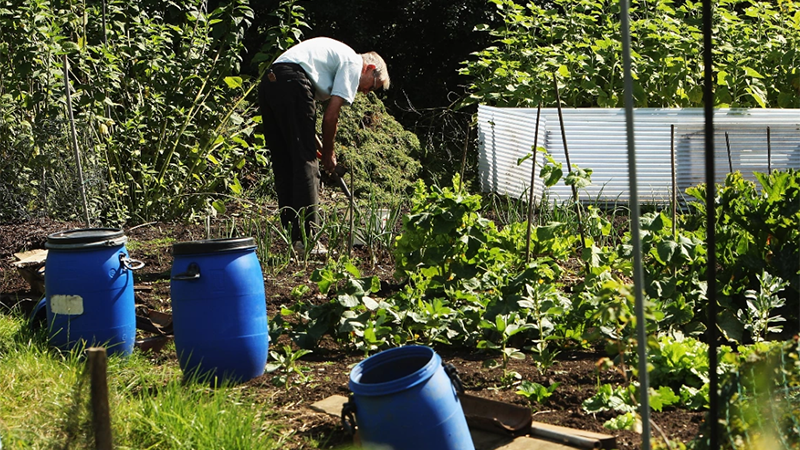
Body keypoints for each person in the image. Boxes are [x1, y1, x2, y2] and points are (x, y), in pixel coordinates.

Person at [258, 37, 390, 254]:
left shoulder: (331, 59)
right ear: (370, 68)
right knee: (307, 163)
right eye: (371, 87)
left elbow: (305, 116)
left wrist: (317, 140)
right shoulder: (353, 63)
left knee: (285, 161)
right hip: (293, 82)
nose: (365, 93)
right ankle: (308, 240)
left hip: (271, 82)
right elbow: (331, 116)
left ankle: (294, 237)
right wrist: (328, 153)